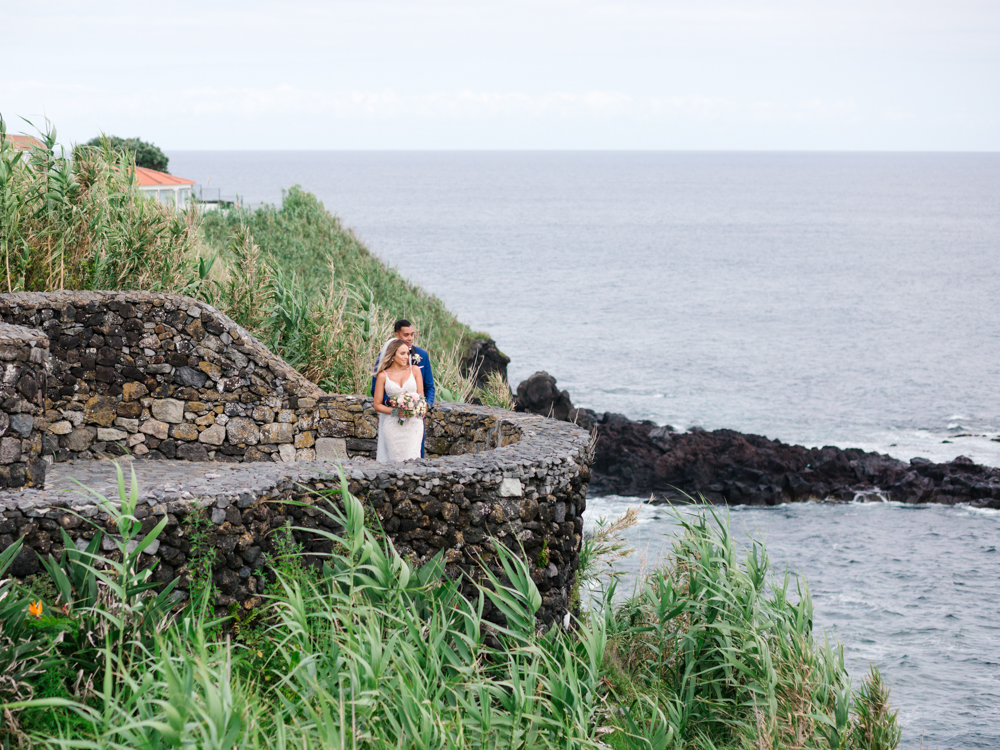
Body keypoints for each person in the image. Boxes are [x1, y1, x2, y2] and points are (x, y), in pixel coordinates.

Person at [372, 319, 435, 456]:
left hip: (415, 420)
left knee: (415, 457)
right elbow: (375, 391)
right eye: (406, 335)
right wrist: (393, 404)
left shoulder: (421, 357)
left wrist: (424, 406)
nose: (410, 338)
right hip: (393, 422)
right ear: (397, 335)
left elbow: (429, 388)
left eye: (412, 334)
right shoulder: (383, 364)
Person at [373, 339, 425, 462]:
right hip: (393, 426)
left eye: (407, 353)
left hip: (414, 424)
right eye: (402, 354)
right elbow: (377, 405)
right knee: (396, 463)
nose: (406, 357)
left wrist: (418, 409)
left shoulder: (415, 370)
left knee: (413, 459)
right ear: (393, 354)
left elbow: (421, 398)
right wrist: (396, 412)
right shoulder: (383, 375)